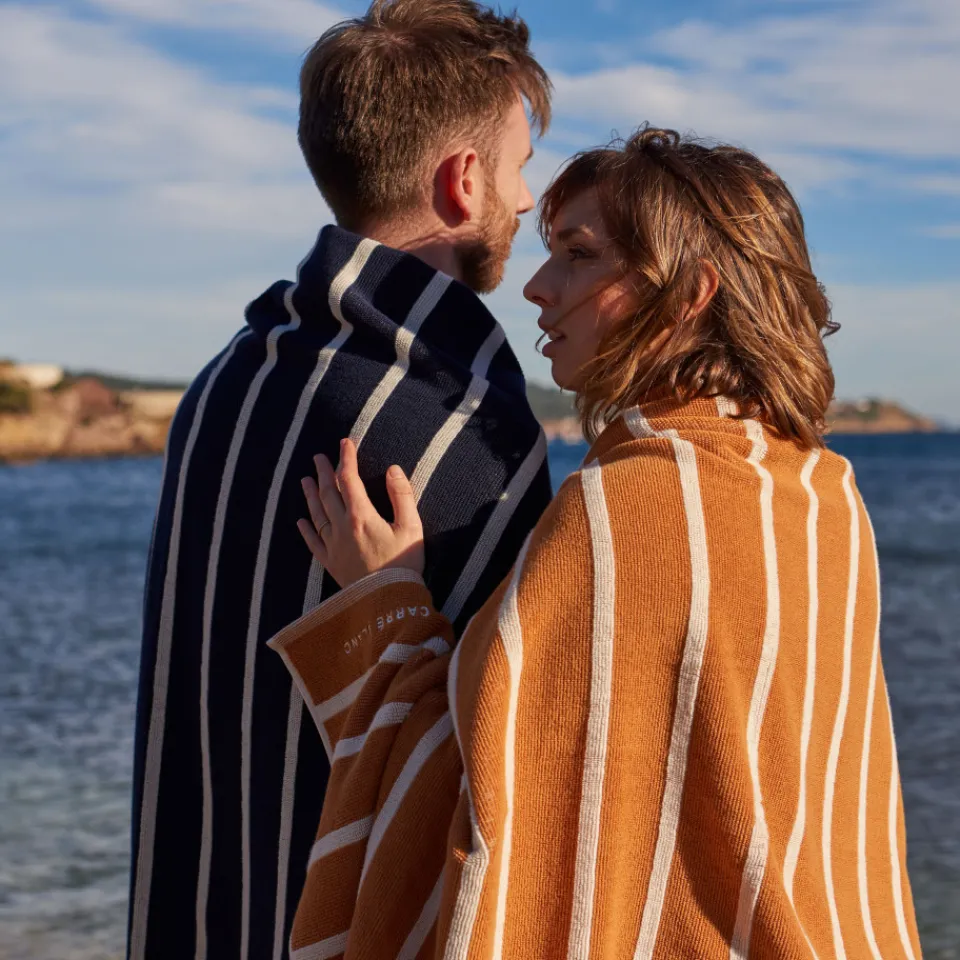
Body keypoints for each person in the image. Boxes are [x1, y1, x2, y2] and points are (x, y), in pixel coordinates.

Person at [269, 128, 924, 958]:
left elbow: (502, 820)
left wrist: (385, 603)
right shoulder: (825, 495)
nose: (538, 287)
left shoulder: (625, 509)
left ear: (689, 293)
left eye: (578, 254)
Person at [128, 2, 553, 958]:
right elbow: (501, 772)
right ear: (464, 179)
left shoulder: (225, 381)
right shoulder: (461, 426)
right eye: (521, 170)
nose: (526, 203)